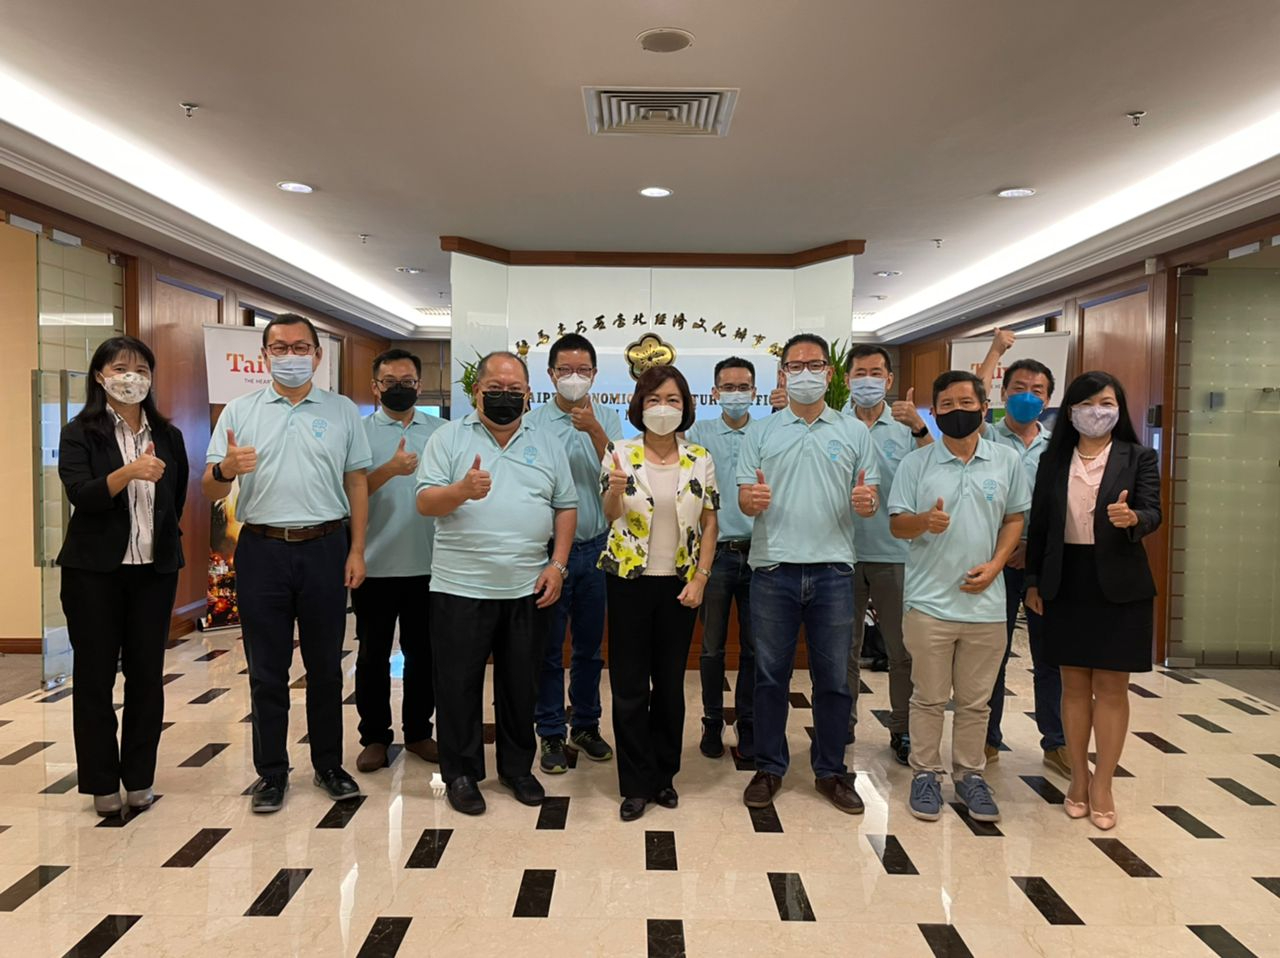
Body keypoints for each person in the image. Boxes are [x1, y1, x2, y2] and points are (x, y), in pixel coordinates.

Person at [204, 313, 371, 813]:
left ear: (318, 357)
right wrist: (225, 469)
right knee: (267, 669)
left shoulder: (342, 411)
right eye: (280, 348)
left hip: (325, 546)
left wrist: (357, 548)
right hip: (262, 549)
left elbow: (357, 483)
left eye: (302, 348)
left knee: (325, 667)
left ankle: (328, 765)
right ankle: (272, 772)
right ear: (265, 355)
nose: (291, 356)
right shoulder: (239, 410)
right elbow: (210, 486)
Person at [416, 351, 576, 815]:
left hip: (528, 586)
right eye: (495, 389)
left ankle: (517, 768)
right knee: (457, 685)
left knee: (520, 685)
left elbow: (566, 506)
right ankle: (462, 773)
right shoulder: (448, 438)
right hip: (459, 587)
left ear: (528, 394)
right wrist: (461, 491)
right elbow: (425, 502)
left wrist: (558, 565)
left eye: (514, 391)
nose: (505, 397)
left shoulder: (546, 442)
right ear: (476, 392)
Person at [737, 333, 880, 815]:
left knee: (835, 679)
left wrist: (867, 503)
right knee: (770, 676)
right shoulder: (761, 432)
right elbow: (742, 496)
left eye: (814, 364)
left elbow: (869, 498)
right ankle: (769, 767)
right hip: (773, 570)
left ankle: (830, 770)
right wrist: (748, 500)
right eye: (794, 366)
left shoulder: (854, 432)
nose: (804, 373)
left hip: (834, 572)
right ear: (782, 375)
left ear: (829, 372)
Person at [889, 370, 1030, 825]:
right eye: (945, 405)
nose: (956, 412)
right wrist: (923, 523)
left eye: (965, 403)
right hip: (929, 603)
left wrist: (996, 565)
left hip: (986, 604)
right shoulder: (917, 463)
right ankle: (925, 774)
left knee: (975, 701)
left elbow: (1014, 519)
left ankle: (971, 775)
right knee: (928, 698)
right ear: (935, 412)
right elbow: (896, 524)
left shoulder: (1006, 461)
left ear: (984, 408)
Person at [58, 336, 188, 817]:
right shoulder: (80, 432)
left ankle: (139, 778)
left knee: (145, 678)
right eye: (120, 368)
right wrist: (128, 472)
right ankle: (100, 782)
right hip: (94, 573)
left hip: (153, 573)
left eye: (140, 368)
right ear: (100, 376)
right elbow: (82, 495)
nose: (131, 376)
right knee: (94, 679)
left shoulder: (169, 435)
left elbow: (175, 497)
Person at [1025, 371, 1160, 831]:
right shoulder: (1053, 458)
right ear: (1071, 410)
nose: (1096, 411)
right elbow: (1040, 527)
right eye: (1086, 403)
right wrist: (1034, 582)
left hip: (1120, 584)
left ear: (1119, 407)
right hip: (1066, 579)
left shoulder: (1138, 456)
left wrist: (1133, 518)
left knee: (1113, 688)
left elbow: (1153, 511)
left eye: (1106, 402)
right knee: (1074, 686)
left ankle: (1104, 783)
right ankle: (1078, 778)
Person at [598, 365, 718, 821]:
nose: (662, 408)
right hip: (628, 582)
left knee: (669, 686)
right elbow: (610, 514)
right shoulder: (620, 452)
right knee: (629, 686)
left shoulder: (699, 457)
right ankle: (634, 783)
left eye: (671, 399)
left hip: (680, 586)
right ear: (638, 406)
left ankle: (664, 776)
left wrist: (701, 578)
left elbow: (710, 520)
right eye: (653, 400)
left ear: (686, 406)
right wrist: (613, 489)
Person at [975, 330, 1069, 777]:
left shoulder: (1059, 448)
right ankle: (987, 739)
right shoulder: (987, 437)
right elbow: (973, 392)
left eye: (1038, 391)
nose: (1028, 397)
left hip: (1044, 564)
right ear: (1003, 391)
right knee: (993, 652)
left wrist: (1031, 548)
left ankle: (1057, 741)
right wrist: (995, 351)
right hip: (997, 561)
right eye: (1019, 389)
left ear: (1050, 398)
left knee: (1050, 656)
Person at [526, 334, 622, 774]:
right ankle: (549, 732)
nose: (574, 378)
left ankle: (585, 725)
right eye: (565, 370)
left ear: (595, 375)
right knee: (548, 648)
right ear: (550, 375)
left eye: (583, 371)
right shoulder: (533, 423)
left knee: (589, 648)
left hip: (599, 549)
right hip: (547, 552)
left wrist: (595, 431)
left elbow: (625, 474)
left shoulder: (609, 418)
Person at [352, 348, 444, 773]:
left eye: (408, 381)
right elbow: (344, 497)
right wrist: (389, 469)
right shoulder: (358, 432)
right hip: (375, 563)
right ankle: (374, 735)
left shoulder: (443, 432)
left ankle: (420, 731)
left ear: (419, 385)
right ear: (375, 386)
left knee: (423, 653)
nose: (399, 388)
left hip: (431, 563)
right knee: (372, 655)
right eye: (389, 381)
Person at [843, 345, 932, 766]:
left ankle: (903, 729)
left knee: (901, 650)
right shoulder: (833, 423)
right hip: (840, 552)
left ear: (889, 380)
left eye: (875, 373)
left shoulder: (907, 426)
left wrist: (918, 427)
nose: (867, 380)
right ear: (846, 379)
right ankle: (841, 725)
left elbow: (937, 468)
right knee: (844, 647)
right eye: (860, 372)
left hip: (896, 553)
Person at [687, 357, 758, 760]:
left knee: (754, 648)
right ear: (715, 392)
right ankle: (712, 722)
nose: (735, 393)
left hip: (760, 556)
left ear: (754, 390)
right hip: (713, 556)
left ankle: (747, 724)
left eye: (742, 386)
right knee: (712, 647)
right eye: (728, 387)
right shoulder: (698, 434)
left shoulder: (765, 433)